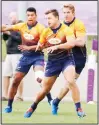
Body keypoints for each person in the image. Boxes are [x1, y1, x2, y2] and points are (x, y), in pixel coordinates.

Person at [24, 9, 85, 118]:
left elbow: (71, 44)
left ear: (57, 18)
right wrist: (39, 46)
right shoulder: (46, 31)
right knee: (45, 89)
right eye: (46, 18)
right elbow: (41, 43)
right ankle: (32, 106)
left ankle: (78, 108)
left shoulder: (66, 29)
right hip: (52, 62)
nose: (48, 20)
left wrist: (57, 46)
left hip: (67, 59)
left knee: (71, 81)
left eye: (50, 18)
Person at [2, 7, 52, 113]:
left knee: (40, 78)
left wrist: (29, 48)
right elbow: (7, 28)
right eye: (28, 15)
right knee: (15, 80)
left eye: (32, 15)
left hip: (37, 56)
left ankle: (50, 100)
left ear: (36, 16)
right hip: (25, 57)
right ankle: (9, 106)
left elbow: (44, 46)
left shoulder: (41, 28)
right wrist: (3, 28)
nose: (30, 17)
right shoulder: (21, 26)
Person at [51, 4, 87, 115]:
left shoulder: (79, 24)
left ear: (73, 13)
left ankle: (55, 102)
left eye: (68, 12)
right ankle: (78, 109)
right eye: (64, 12)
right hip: (65, 57)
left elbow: (82, 42)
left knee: (69, 83)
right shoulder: (60, 25)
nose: (66, 15)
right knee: (70, 82)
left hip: (79, 58)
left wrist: (70, 41)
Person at [2, 12, 23, 101]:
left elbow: (20, 39)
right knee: (6, 75)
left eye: (13, 17)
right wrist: (5, 32)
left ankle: (19, 96)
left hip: (17, 54)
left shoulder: (21, 26)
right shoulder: (10, 27)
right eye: (10, 17)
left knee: (18, 76)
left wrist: (9, 33)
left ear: (17, 17)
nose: (12, 19)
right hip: (9, 54)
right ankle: (5, 95)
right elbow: (5, 39)